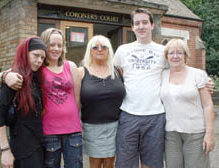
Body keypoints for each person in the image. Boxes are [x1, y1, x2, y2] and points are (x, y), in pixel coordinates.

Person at [113, 8, 214, 168]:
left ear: (152, 25)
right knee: (125, 163)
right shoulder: (122, 51)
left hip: (156, 116)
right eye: (137, 23)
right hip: (128, 114)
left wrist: (205, 80)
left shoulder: (163, 52)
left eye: (145, 22)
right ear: (132, 27)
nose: (141, 26)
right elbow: (109, 72)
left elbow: (180, 69)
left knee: (151, 163)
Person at [161, 39, 215, 168]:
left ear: (186, 56)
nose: (175, 56)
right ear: (166, 57)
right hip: (171, 133)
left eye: (179, 53)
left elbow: (208, 105)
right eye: (171, 53)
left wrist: (209, 134)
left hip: (195, 133)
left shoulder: (198, 75)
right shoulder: (162, 75)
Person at [0, 36, 46, 168]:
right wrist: (5, 151)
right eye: (36, 55)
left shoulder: (35, 77)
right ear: (25, 53)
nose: (39, 60)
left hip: (38, 145)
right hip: (22, 149)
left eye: (42, 58)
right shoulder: (14, 79)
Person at [78, 35, 125, 168]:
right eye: (95, 47)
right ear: (89, 51)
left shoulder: (118, 71)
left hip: (116, 126)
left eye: (104, 47)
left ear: (109, 50)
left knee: (110, 163)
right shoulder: (81, 72)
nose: (100, 50)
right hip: (92, 127)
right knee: (95, 163)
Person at [40, 28, 82, 168]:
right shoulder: (38, 68)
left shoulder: (71, 66)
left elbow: (77, 99)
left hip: (73, 131)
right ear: (44, 45)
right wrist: (4, 76)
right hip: (49, 131)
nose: (56, 49)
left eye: (60, 45)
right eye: (52, 45)